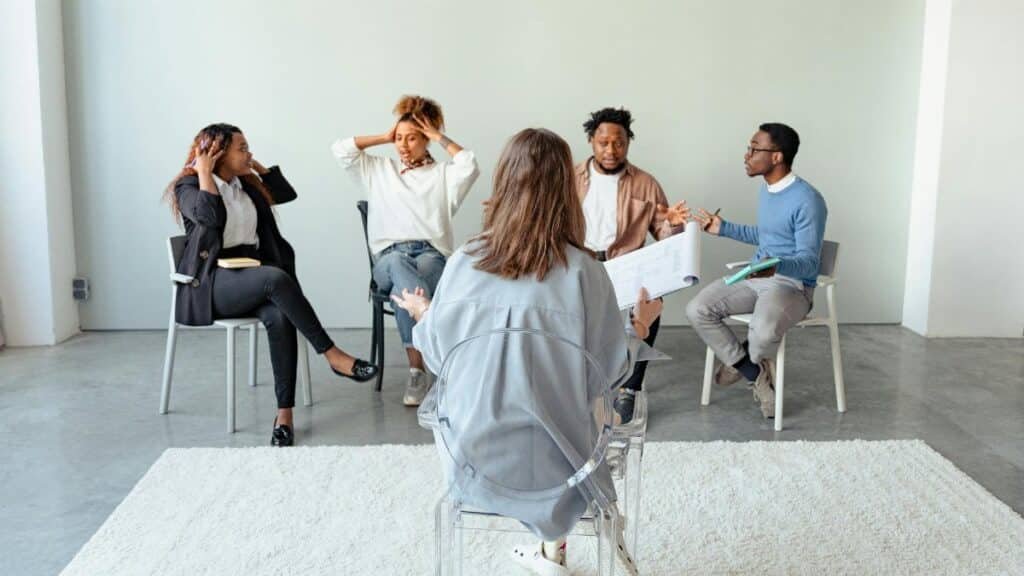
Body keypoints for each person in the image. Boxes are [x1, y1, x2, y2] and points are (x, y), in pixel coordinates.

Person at [392, 128, 660, 576]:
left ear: (504, 183)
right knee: (575, 410)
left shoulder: (464, 262)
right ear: (566, 192)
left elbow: (441, 360)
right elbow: (607, 374)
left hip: (472, 463)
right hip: (562, 474)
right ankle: (553, 547)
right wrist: (640, 326)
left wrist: (425, 313)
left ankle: (550, 553)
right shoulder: (584, 273)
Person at [165, 123, 377, 446]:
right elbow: (207, 216)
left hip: (252, 274)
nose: (249, 152)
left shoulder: (246, 185)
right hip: (211, 282)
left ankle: (284, 416)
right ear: (217, 153)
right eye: (242, 148)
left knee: (279, 316)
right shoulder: (189, 187)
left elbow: (286, 194)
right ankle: (332, 354)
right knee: (276, 278)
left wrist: (257, 169)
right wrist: (206, 173)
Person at [332, 95, 479, 406]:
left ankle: (417, 372)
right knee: (400, 266)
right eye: (398, 138)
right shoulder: (378, 170)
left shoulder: (443, 176)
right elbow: (341, 149)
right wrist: (385, 136)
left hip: (431, 256)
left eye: (412, 138)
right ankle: (435, 361)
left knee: (407, 290)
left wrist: (440, 136)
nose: (402, 145)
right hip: (388, 259)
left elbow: (469, 164)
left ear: (426, 139)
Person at [689, 123, 827, 419]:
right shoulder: (768, 191)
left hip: (792, 285)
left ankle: (743, 358)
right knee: (698, 308)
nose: (747, 155)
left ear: (776, 157)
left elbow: (809, 263)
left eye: (754, 149)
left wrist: (776, 266)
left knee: (763, 333)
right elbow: (767, 236)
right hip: (757, 276)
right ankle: (753, 371)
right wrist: (723, 228)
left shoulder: (808, 200)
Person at [576, 106, 690, 423]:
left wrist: (675, 224)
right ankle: (578, 387)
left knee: (651, 301)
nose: (611, 150)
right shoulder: (570, 178)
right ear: (591, 141)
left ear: (628, 142)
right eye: (604, 143)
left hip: (626, 264)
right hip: (581, 264)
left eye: (619, 143)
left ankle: (629, 389)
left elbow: (664, 235)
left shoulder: (645, 184)